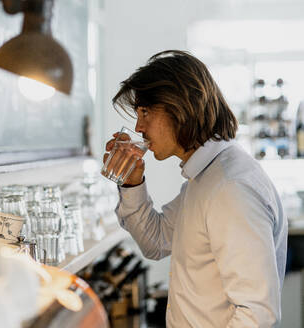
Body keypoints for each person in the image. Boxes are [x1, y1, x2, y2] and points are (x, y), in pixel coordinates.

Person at [103, 50, 287, 327]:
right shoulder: (206, 178)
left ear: (180, 106)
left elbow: (257, 314)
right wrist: (133, 182)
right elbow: (156, 242)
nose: (139, 127)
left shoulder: (229, 187)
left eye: (145, 112)